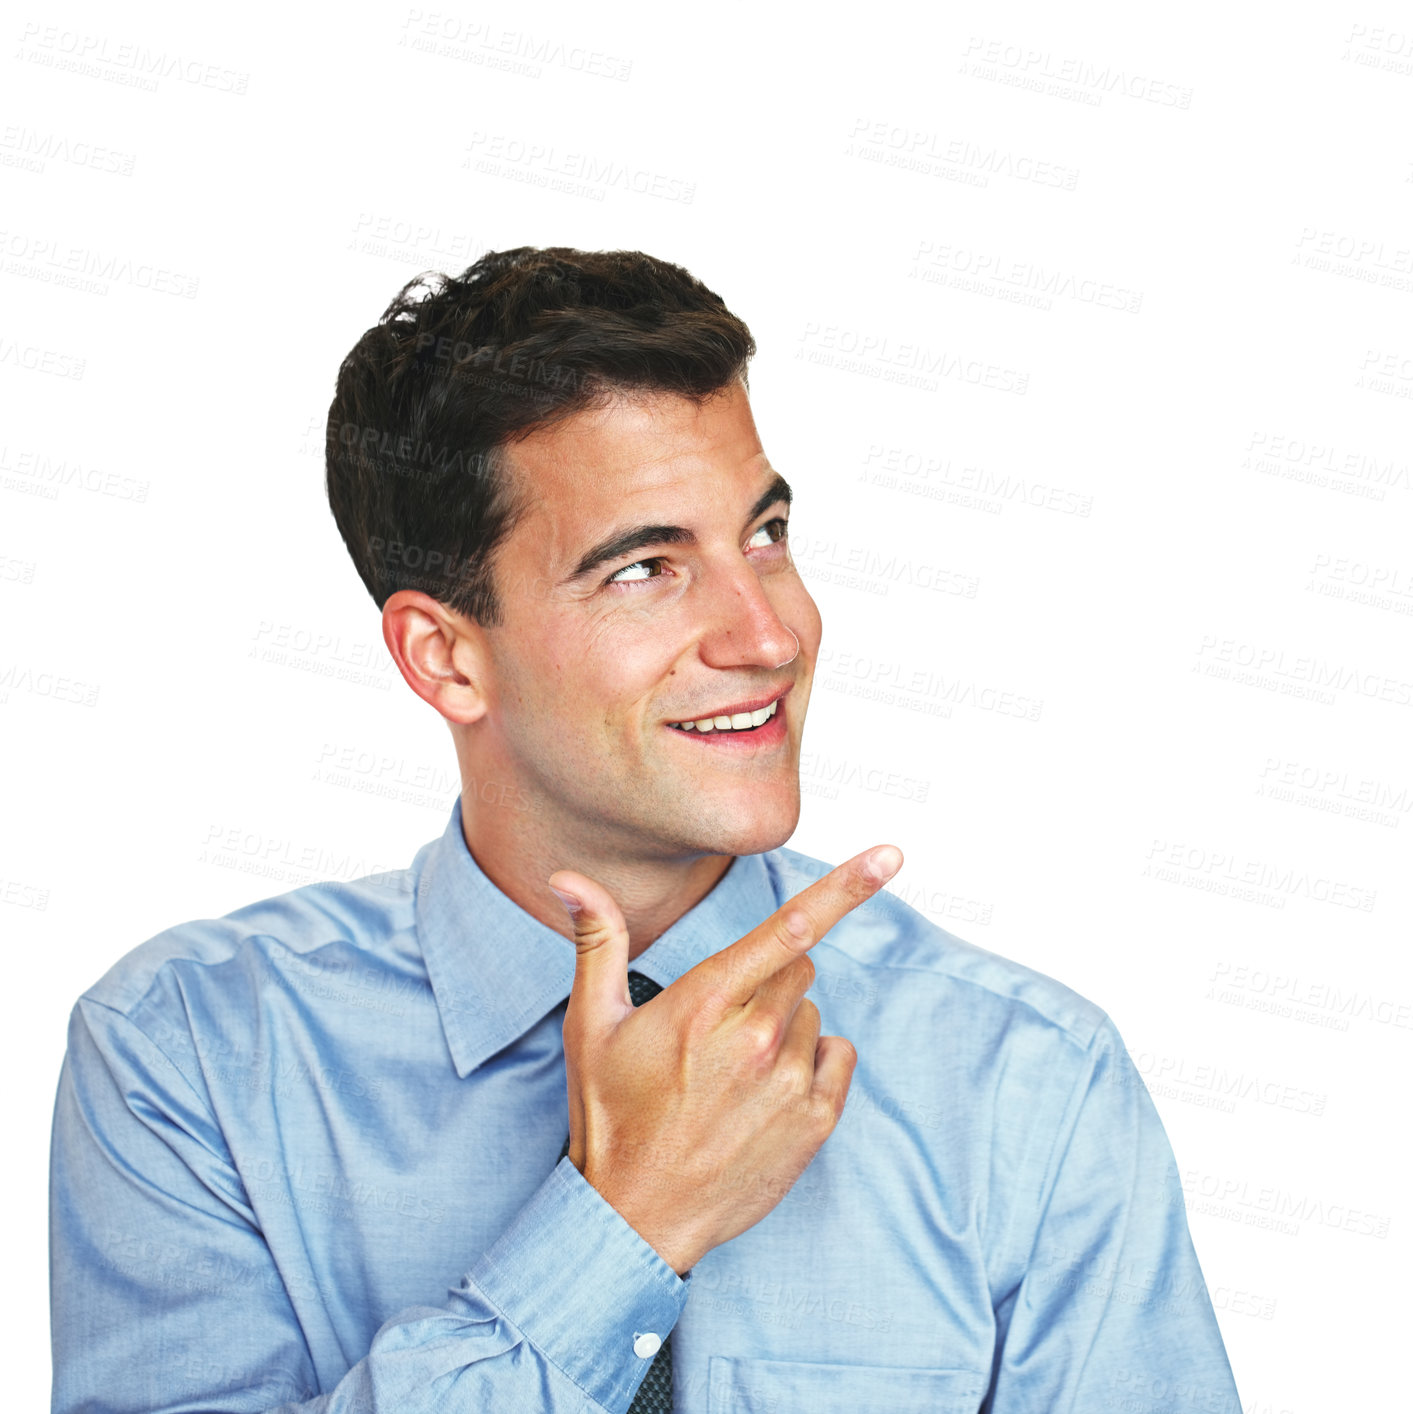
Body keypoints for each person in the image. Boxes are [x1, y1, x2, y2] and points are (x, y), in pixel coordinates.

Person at [49, 246, 1242, 1413]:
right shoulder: (190, 1058)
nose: (768, 635)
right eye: (645, 569)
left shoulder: (1026, 1080)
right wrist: (626, 1225)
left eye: (763, 535)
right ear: (446, 657)